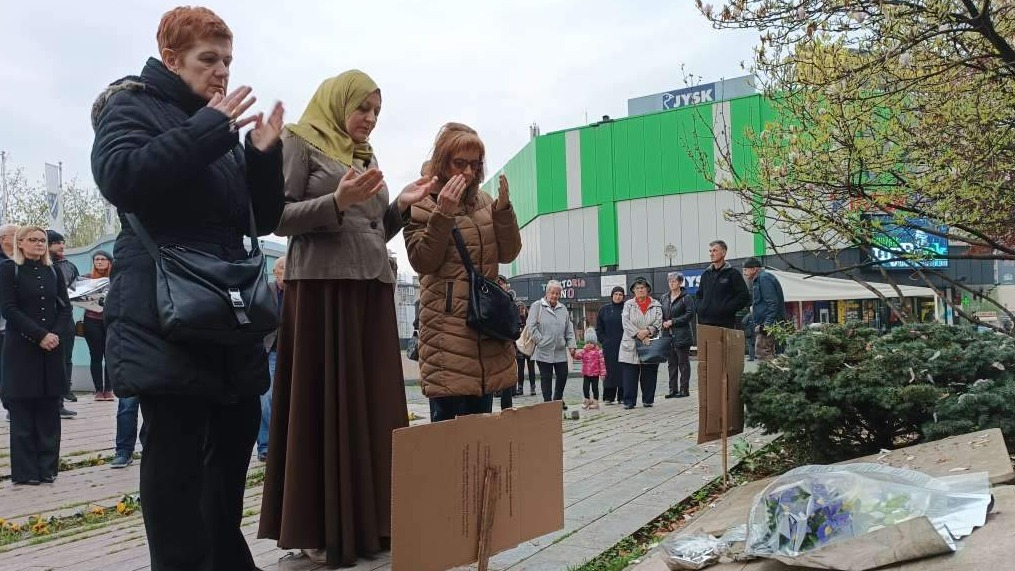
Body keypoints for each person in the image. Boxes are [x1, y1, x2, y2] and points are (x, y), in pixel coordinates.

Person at [90, 6, 286, 569]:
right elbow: (122, 176)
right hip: (164, 312)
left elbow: (261, 219)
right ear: (171, 59)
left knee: (231, 445)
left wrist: (261, 157)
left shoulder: (218, 125)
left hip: (226, 313)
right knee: (175, 461)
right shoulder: (131, 105)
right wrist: (208, 130)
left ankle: (225, 556)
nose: (222, 70)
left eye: (227, 59)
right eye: (209, 59)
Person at [259, 69, 432, 567]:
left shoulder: (364, 156)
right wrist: (336, 200)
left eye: (377, 112)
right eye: (364, 109)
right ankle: (318, 526)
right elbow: (276, 217)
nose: (371, 120)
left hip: (370, 290)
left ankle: (372, 522)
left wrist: (399, 204)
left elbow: (372, 226)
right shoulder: (301, 141)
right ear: (339, 103)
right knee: (325, 405)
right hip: (323, 292)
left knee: (371, 407)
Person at [404, 122, 522, 422]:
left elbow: (508, 254)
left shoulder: (484, 201)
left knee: (480, 434)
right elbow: (422, 261)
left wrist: (504, 212)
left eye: (475, 164)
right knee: (448, 439)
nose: (469, 172)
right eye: (460, 164)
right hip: (448, 333)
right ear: (442, 162)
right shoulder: (422, 201)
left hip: (484, 329)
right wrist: (443, 212)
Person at [0, 225, 71, 485]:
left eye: (42, 240)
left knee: (49, 410)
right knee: (23, 411)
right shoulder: (9, 270)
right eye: (33, 239)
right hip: (22, 349)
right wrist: (39, 334)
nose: (40, 244)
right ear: (20, 243)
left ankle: (48, 468)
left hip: (51, 349)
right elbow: (9, 309)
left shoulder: (53, 271)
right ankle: (26, 472)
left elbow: (64, 307)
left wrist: (55, 335)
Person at [527, 280, 577, 409]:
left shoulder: (563, 308)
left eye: (557, 293)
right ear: (547, 293)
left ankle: (558, 399)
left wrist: (572, 344)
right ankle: (548, 404)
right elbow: (531, 326)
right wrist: (540, 341)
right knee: (546, 378)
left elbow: (569, 329)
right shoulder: (537, 306)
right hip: (543, 350)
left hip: (560, 350)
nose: (555, 295)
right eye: (552, 293)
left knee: (562, 375)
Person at [46, 230, 79, 418]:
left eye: (62, 242)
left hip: (66, 318)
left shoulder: (69, 266)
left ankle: (63, 395)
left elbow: (76, 287)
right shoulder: (39, 265)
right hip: (45, 319)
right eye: (57, 242)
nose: (61, 246)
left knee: (66, 358)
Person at [620, 277, 663, 409]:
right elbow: (625, 322)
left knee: (649, 373)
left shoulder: (656, 304)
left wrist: (647, 332)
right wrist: (639, 333)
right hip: (631, 343)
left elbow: (658, 322)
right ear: (633, 290)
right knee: (630, 374)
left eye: (642, 287)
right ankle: (629, 401)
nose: (640, 290)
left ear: (647, 289)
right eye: (637, 288)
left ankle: (648, 400)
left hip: (649, 342)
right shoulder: (628, 304)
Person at [257, 256, 284, 462]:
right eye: (282, 268)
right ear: (275, 272)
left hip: (292, 351)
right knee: (267, 399)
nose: (286, 271)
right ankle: (265, 446)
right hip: (271, 351)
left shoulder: (298, 291)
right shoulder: (266, 290)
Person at [696, 240, 750, 329]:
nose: (711, 254)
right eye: (710, 251)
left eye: (714, 251)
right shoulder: (706, 274)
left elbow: (743, 296)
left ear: (724, 252)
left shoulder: (733, 274)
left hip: (725, 323)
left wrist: (726, 309)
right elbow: (699, 295)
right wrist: (700, 308)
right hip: (704, 323)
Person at [82, 250, 114, 400]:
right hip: (91, 320)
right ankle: (98, 391)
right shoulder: (86, 279)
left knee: (110, 355)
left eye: (102, 259)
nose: (99, 262)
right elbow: (76, 297)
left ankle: (109, 389)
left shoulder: (115, 278)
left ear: (109, 261)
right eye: (96, 259)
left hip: (111, 320)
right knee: (95, 355)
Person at [743, 257, 786, 360]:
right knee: (766, 353)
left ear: (754, 269)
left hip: (768, 326)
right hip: (767, 324)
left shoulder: (764, 278)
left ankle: (772, 375)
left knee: (763, 353)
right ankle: (774, 374)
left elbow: (772, 302)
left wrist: (767, 324)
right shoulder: (762, 278)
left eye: (745, 270)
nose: (744, 273)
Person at [661, 272, 695, 398]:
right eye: (670, 281)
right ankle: (672, 390)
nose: (671, 283)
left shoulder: (686, 297)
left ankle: (684, 390)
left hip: (682, 335)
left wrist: (673, 321)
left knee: (683, 363)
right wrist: (663, 322)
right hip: (667, 335)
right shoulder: (664, 298)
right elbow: (661, 313)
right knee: (671, 364)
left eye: (674, 281)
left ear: (680, 282)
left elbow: (690, 314)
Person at [596, 286, 627, 405]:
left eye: (620, 294)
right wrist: (603, 340)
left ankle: (623, 396)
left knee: (623, 371)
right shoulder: (604, 309)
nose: (618, 297)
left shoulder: (627, 308)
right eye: (616, 294)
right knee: (609, 371)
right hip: (609, 346)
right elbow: (599, 327)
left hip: (624, 345)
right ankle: (609, 396)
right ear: (612, 296)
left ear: (623, 296)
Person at [0, 224, 17, 422]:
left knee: (10, 368)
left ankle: (12, 405)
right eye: (13, 234)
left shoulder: (20, 261)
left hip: (12, 325)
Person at [496, 275, 515, 410]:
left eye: (502, 283)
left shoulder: (509, 301)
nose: (500, 285)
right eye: (498, 283)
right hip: (490, 343)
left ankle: (507, 408)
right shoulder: (488, 297)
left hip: (506, 343)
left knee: (507, 377)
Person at [574, 340, 606, 410]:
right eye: (587, 343)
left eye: (591, 343)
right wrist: (573, 352)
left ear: (595, 344)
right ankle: (587, 400)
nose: (589, 344)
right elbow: (577, 357)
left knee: (595, 388)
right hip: (586, 374)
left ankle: (595, 402)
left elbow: (602, 363)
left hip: (595, 374)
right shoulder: (583, 351)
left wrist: (603, 373)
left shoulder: (598, 352)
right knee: (585, 387)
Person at [514, 300, 537, 396]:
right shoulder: (515, 320)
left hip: (529, 346)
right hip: (519, 347)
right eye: (519, 309)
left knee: (531, 367)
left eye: (522, 309)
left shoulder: (529, 319)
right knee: (520, 368)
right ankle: (520, 387)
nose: (521, 311)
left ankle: (532, 387)